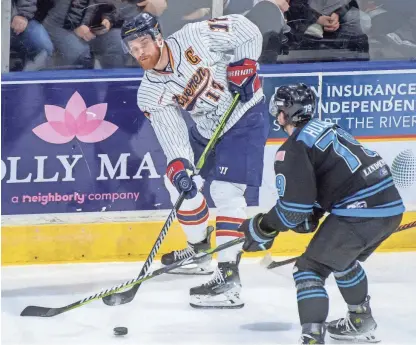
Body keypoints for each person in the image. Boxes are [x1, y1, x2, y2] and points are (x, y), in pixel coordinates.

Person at [121, 12, 270, 309]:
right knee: (176, 181)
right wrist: (181, 164)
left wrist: (245, 64)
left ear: (158, 38)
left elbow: (246, 29)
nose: (139, 53)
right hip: (207, 129)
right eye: (133, 49)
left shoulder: (194, 36)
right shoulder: (149, 92)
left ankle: (228, 280)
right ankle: (200, 250)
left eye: (143, 45)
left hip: (244, 116)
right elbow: (173, 134)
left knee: (227, 191)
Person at [237, 83, 404, 343]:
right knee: (341, 259)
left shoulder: (293, 148)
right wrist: (314, 212)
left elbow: (292, 210)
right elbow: (334, 181)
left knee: (309, 268)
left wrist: (262, 226)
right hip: (390, 206)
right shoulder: (327, 127)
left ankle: (312, 339)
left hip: (359, 212)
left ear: (284, 115)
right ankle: (361, 319)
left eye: (278, 109)